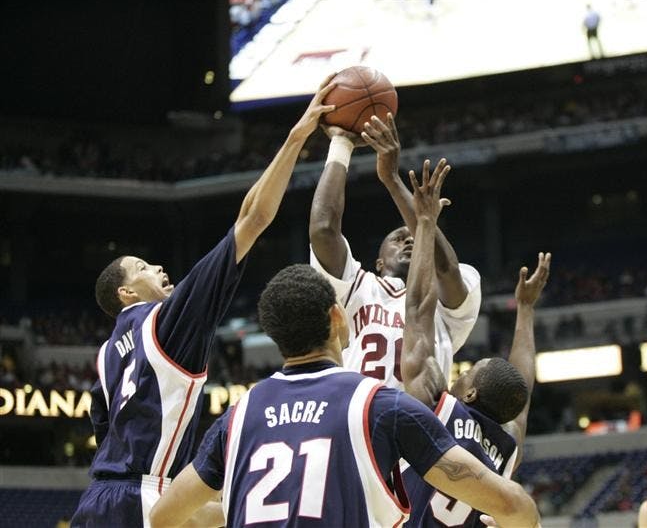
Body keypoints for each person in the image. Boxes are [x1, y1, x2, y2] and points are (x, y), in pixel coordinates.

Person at [71, 75, 338, 528]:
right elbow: (252, 219)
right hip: (143, 496)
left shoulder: (104, 355)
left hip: (98, 499)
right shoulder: (166, 322)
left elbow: (108, 430)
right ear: (126, 293)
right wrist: (298, 134)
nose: (157, 269)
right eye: (142, 267)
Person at [148, 263, 540, 528]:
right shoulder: (383, 406)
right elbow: (516, 506)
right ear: (338, 317)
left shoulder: (237, 417)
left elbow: (164, 517)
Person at [397, 158, 550, 527]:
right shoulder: (506, 447)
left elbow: (417, 311)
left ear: (468, 395)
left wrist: (425, 224)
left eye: (468, 374)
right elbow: (522, 392)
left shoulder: (441, 411)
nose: (459, 375)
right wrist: (525, 311)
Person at [308, 113, 480, 389]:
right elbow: (323, 230)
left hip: (422, 423)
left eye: (414, 237)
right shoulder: (356, 288)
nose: (410, 241)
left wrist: (393, 180)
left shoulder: (456, 291)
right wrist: (341, 144)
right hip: (360, 423)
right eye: (399, 238)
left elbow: (445, 269)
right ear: (378, 262)